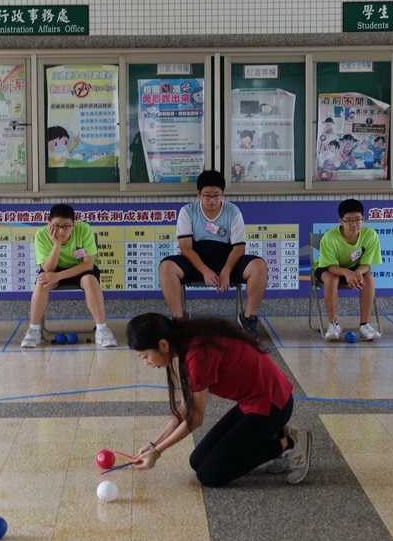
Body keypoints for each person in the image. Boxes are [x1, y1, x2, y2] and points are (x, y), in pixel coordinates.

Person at [125, 313, 311, 486]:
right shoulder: (185, 341)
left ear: (163, 345)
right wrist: (153, 445)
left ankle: (289, 442)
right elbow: (185, 408)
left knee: (210, 474)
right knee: (197, 461)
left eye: (145, 356)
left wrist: (158, 453)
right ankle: (277, 433)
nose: (146, 362)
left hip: (272, 404)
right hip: (253, 402)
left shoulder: (196, 356)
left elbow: (195, 419)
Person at [159, 170, 267, 336]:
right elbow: (186, 248)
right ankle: (179, 321)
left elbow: (239, 247)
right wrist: (204, 270)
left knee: (259, 266)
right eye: (207, 196)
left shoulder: (233, 211)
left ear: (223, 194)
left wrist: (226, 270)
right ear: (198, 195)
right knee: (166, 266)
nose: (212, 201)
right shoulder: (187, 211)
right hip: (196, 260)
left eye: (216, 196)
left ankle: (248, 318)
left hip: (228, 258)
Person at [20, 204, 118, 349]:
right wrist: (57, 244)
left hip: (80, 269)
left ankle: (102, 329)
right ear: (49, 223)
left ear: (74, 223)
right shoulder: (41, 235)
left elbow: (88, 265)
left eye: (66, 226)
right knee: (42, 282)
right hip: (54, 269)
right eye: (56, 225)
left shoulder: (84, 229)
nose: (61, 230)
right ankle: (34, 330)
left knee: (90, 280)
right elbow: (47, 269)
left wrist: (58, 276)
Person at [316, 199, 382, 342]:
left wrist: (357, 272)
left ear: (363, 219)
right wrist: (346, 273)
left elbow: (367, 264)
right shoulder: (329, 237)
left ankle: (365, 325)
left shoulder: (370, 235)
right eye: (349, 220)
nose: (354, 224)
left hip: (355, 269)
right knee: (331, 278)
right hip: (331, 269)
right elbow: (330, 266)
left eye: (358, 219)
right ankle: (334, 324)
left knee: (369, 278)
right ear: (340, 221)